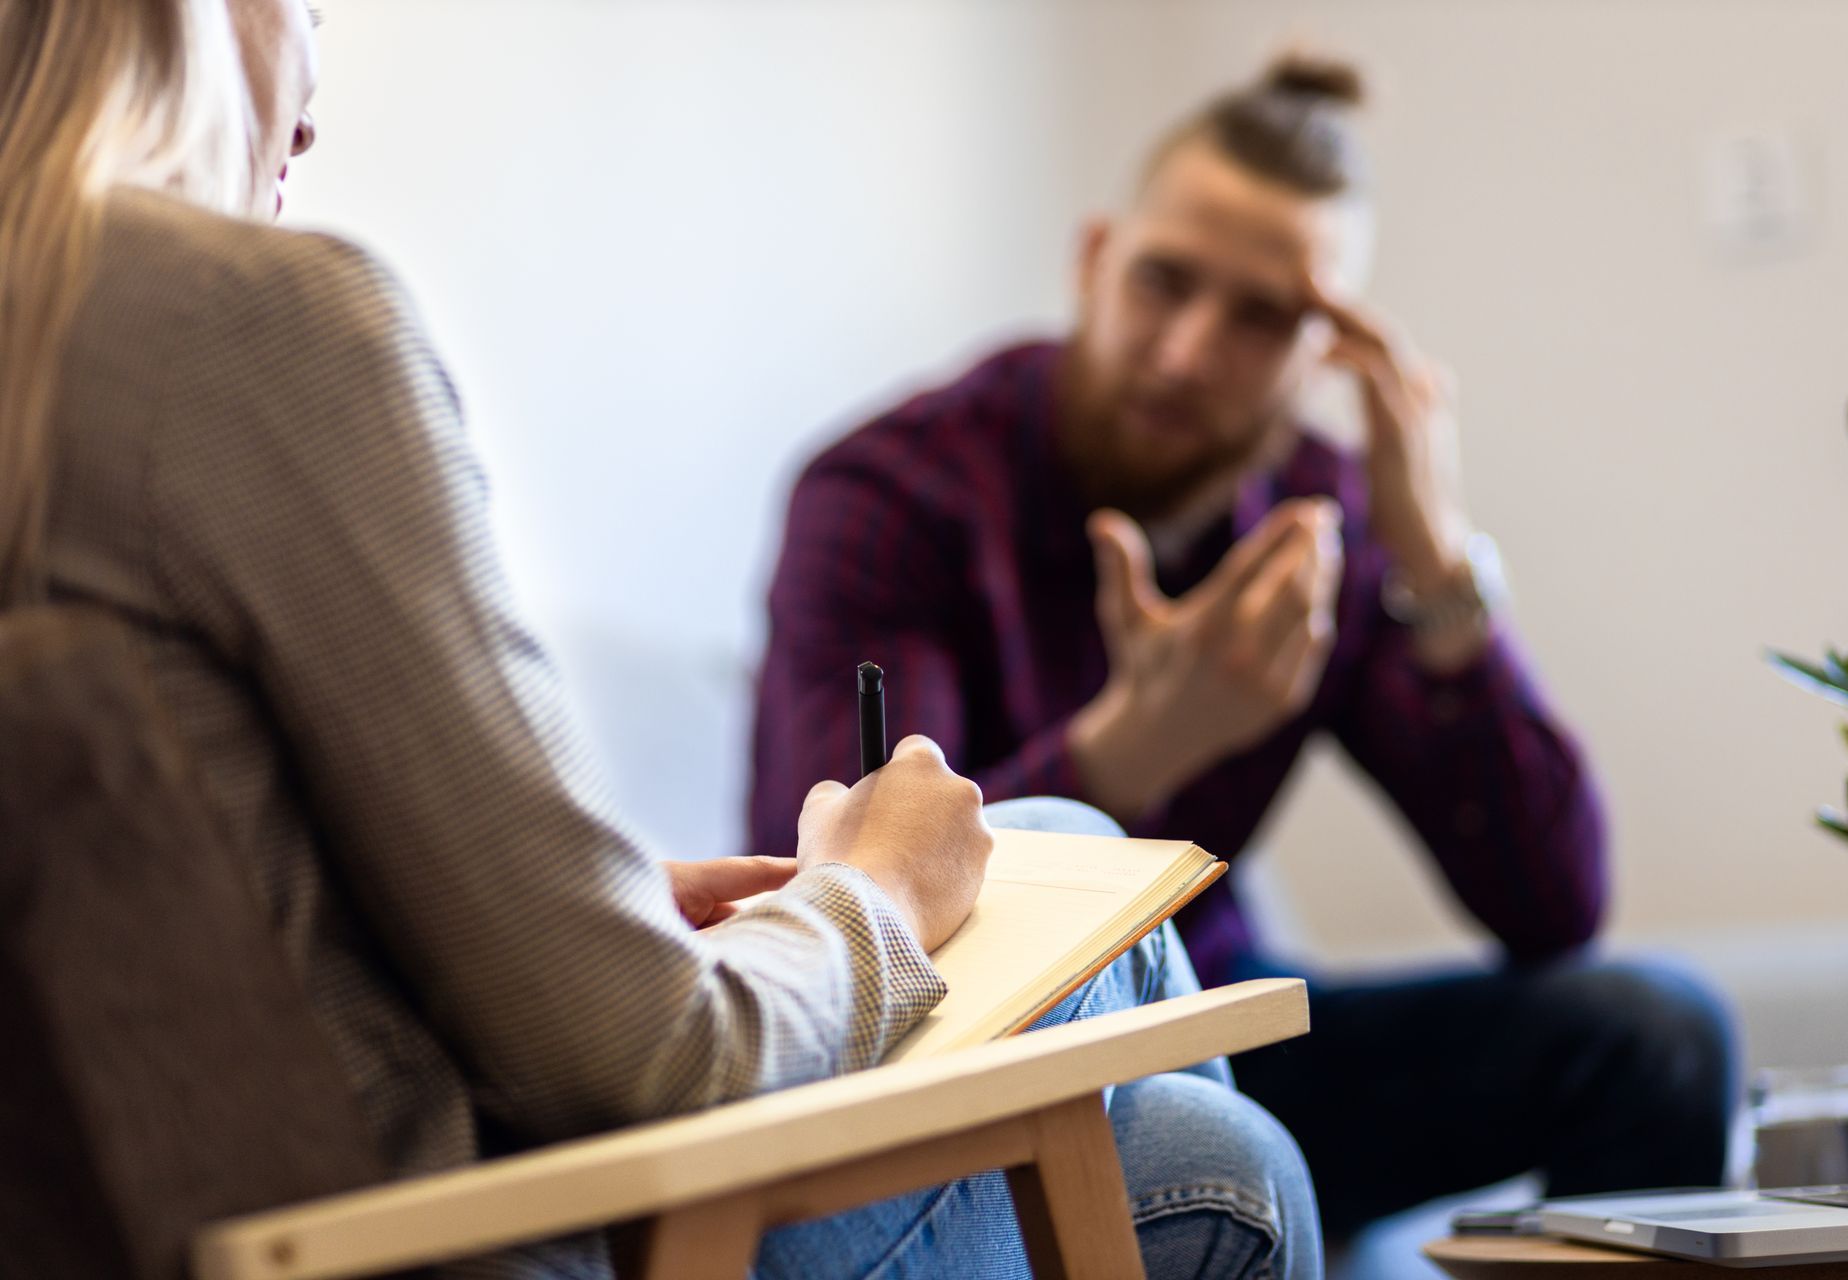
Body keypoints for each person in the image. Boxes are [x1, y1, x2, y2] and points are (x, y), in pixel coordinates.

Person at [3, 1, 1321, 1275]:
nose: (303, 110)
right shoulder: (242, 325)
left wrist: (593, 911)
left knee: (1083, 873)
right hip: (464, 1244)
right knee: (1214, 1149)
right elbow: (643, 1057)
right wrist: (877, 902)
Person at [751, 53, 1740, 1242]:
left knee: (1659, 1032)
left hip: (1218, 1020)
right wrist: (1126, 754)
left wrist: (1438, 570)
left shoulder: (1313, 528)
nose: (1184, 352)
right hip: (977, 1083)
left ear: (1323, 350)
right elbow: (829, 891)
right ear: (1093, 259)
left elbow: (1554, 904)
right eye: (1164, 282)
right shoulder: (890, 491)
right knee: (1205, 1119)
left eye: (1260, 315)